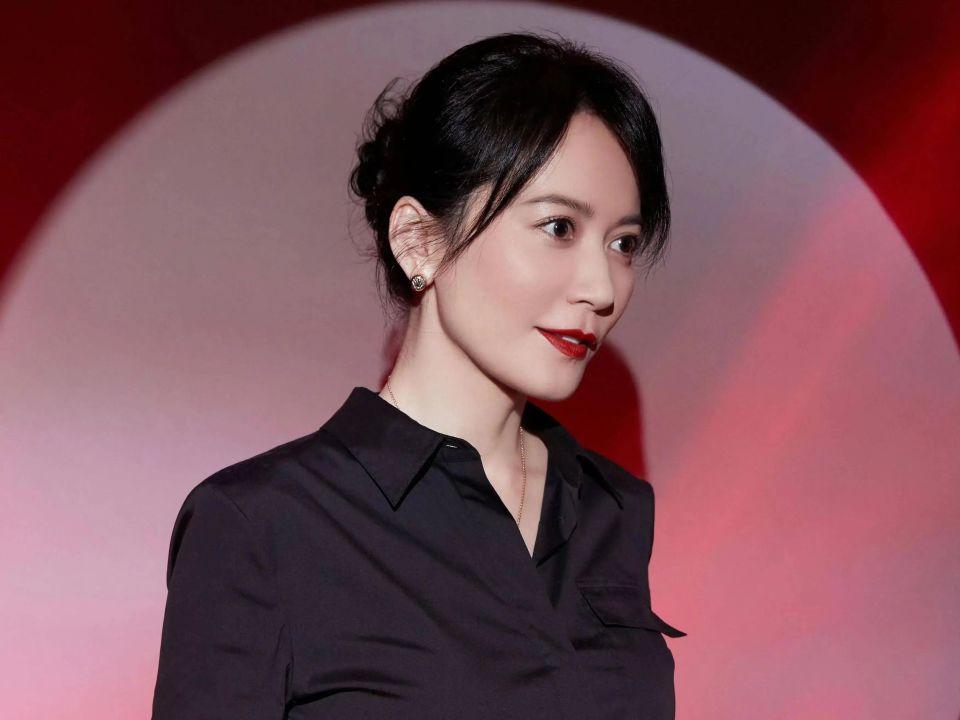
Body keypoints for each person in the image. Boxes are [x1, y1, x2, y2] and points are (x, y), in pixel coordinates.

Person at [151, 30, 685, 720]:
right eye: (559, 228)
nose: (602, 287)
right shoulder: (263, 524)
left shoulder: (613, 512)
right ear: (419, 240)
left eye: (623, 243)